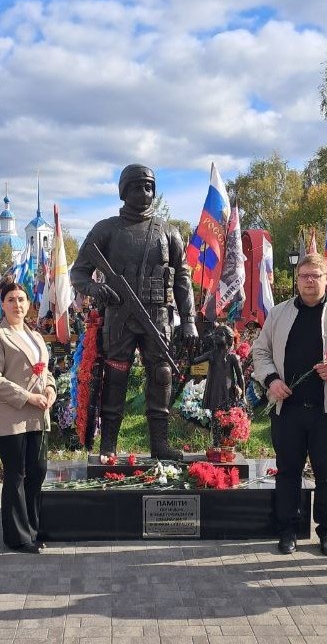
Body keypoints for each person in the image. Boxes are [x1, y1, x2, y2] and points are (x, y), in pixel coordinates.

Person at [70, 163, 197, 460]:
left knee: (162, 375)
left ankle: (160, 445)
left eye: (149, 186)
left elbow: (182, 278)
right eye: (138, 186)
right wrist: (95, 288)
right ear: (124, 191)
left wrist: (189, 320)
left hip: (158, 317)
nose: (145, 192)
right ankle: (108, 446)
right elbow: (78, 273)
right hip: (119, 316)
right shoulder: (106, 229)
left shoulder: (169, 232)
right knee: (115, 377)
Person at [252, 253, 327, 555]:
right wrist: (271, 380)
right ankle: (288, 530)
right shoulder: (279, 313)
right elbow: (260, 351)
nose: (309, 281)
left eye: (315, 276)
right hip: (288, 409)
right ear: (297, 280)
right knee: (287, 472)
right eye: (304, 276)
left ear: (326, 279)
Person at [0, 281, 57, 553]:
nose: (17, 304)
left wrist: (50, 389)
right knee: (17, 474)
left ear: (29, 304)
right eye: (11, 299)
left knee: (37, 471)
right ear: (2, 304)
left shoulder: (34, 335)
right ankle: (18, 537)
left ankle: (33, 528)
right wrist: (28, 397)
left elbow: (46, 371)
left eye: (21, 299)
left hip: (38, 414)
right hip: (11, 416)